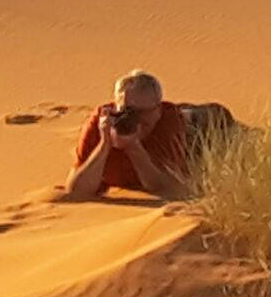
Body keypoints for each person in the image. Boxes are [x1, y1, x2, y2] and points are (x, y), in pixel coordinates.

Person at [60, 69, 189, 201]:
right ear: (115, 107)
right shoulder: (103, 120)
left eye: (143, 112)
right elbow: (76, 190)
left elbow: (165, 188)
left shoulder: (169, 122)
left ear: (158, 111)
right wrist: (104, 144)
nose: (135, 118)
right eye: (127, 111)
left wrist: (133, 147)